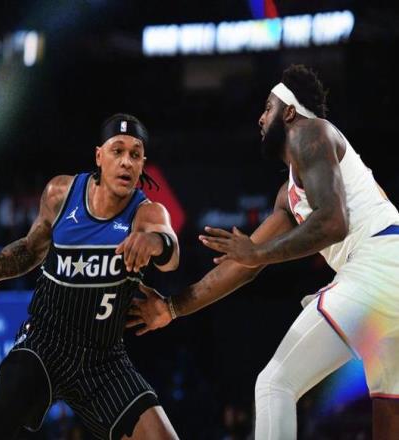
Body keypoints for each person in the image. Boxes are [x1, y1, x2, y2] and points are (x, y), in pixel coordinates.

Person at [129, 65, 399, 439]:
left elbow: (333, 222)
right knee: (388, 406)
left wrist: (258, 254)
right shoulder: (288, 195)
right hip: (387, 272)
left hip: (378, 262)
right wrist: (172, 308)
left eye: (268, 108)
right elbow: (244, 265)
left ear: (289, 111)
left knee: (274, 383)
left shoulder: (310, 131)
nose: (260, 118)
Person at [0, 113, 180, 440]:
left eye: (135, 154)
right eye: (117, 151)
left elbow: (172, 254)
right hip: (45, 342)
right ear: (99, 156)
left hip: (104, 359)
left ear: (143, 164)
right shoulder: (61, 193)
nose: (126, 162)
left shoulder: (148, 213)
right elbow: (31, 249)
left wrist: (155, 242)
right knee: (1, 420)